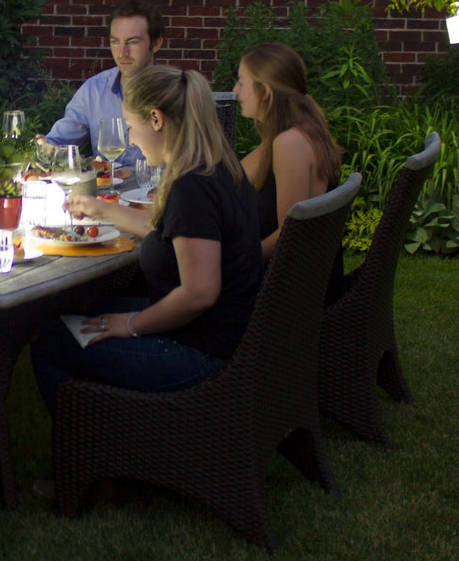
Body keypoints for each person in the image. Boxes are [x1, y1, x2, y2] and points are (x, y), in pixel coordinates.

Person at [31, 65, 263, 412]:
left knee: (51, 341)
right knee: (84, 311)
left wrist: (132, 325)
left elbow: (199, 294)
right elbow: (168, 232)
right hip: (224, 334)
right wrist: (102, 209)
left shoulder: (192, 187)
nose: (130, 140)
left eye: (129, 126)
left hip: (205, 354)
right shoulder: (215, 166)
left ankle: (100, 436)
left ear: (156, 119)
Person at [232, 42, 346, 299]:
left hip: (284, 298)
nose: (235, 90)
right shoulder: (291, 131)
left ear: (266, 92)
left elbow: (289, 236)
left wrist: (236, 262)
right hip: (297, 285)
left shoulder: (290, 143)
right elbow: (234, 177)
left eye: (241, 82)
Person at [41, 0, 166, 168]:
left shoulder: (177, 92)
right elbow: (58, 142)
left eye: (133, 42)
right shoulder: (94, 90)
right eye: (115, 42)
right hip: (105, 186)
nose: (122, 53)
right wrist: (46, 148)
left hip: (161, 186)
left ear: (156, 43)